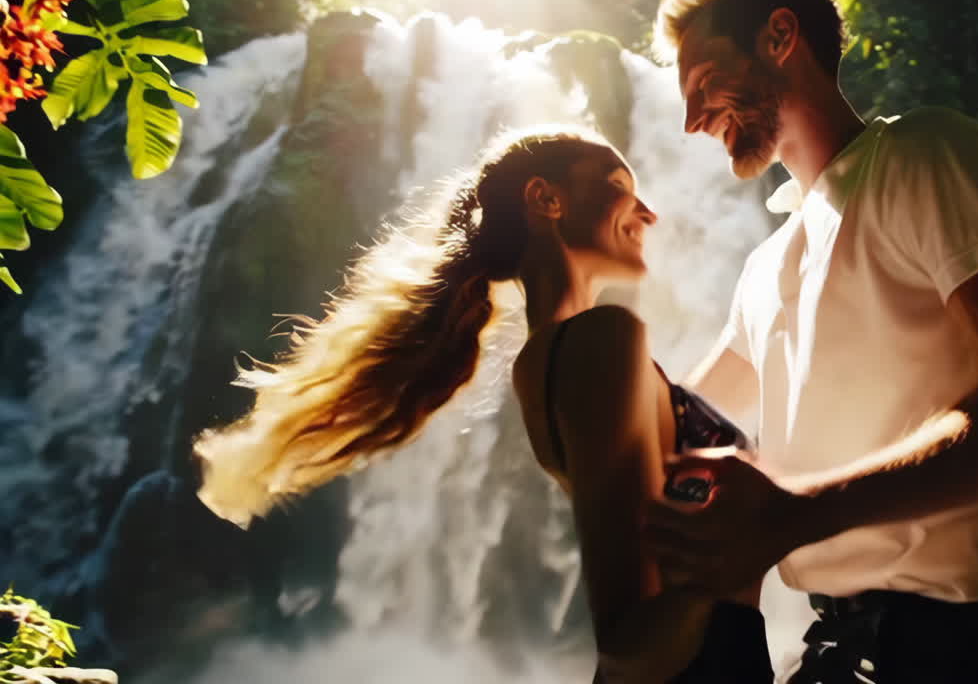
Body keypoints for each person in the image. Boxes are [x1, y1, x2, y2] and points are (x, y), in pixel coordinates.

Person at [643, 0, 978, 682]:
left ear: (779, 37)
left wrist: (796, 512)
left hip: (956, 652)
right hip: (835, 643)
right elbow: (676, 419)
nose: (693, 120)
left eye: (705, 80)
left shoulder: (925, 156)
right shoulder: (767, 264)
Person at [192, 127, 774, 683]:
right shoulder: (601, 341)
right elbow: (627, 643)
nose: (649, 212)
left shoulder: (546, 359)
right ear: (545, 198)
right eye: (619, 185)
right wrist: (762, 533)